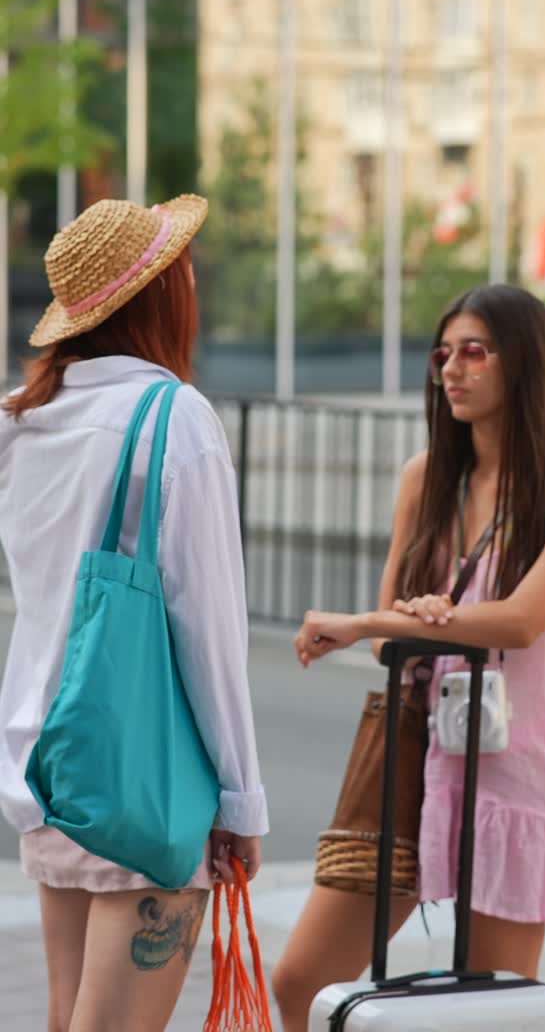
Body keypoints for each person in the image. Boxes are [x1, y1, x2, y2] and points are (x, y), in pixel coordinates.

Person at [273, 283, 545, 1032]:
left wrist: (396, 619)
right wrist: (403, 622)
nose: (452, 370)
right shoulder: (426, 477)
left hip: (509, 778)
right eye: (444, 354)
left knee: (487, 1010)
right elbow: (398, 637)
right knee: (300, 983)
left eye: (475, 352)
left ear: (522, 364)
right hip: (408, 768)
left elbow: (524, 621)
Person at [0, 196, 268, 1032]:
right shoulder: (171, 419)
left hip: (45, 763)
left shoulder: (24, 418)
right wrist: (241, 801)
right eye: (180, 265)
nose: (192, 276)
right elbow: (208, 629)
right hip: (144, 779)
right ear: (155, 294)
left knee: (65, 1020)